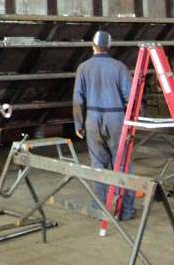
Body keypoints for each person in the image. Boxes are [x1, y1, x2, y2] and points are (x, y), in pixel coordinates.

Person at [73, 30, 135, 220]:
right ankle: (125, 211)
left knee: (98, 165)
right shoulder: (119, 67)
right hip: (115, 117)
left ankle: (102, 209)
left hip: (92, 118)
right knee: (122, 163)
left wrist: (79, 124)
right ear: (109, 46)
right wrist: (132, 123)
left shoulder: (83, 68)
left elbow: (77, 99)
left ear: (92, 45)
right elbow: (130, 98)